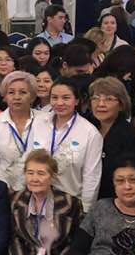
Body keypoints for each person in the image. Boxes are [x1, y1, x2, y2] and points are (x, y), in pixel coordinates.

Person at [30, 79, 102, 211]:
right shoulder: (38, 123)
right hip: (36, 199)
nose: (59, 103)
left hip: (70, 205)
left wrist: (86, 210)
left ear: (77, 101)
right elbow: (28, 158)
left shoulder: (90, 133)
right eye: (54, 97)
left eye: (66, 98)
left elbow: (91, 176)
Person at [0, 71, 40, 192]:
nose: (17, 97)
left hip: (38, 185)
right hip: (2, 188)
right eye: (11, 92)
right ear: (5, 96)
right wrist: (6, 187)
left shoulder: (44, 120)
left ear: (32, 96)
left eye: (23, 92)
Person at [89, 77, 135, 199]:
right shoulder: (89, 128)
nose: (101, 104)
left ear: (121, 105)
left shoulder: (128, 134)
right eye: (96, 98)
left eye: (109, 99)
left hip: (115, 198)